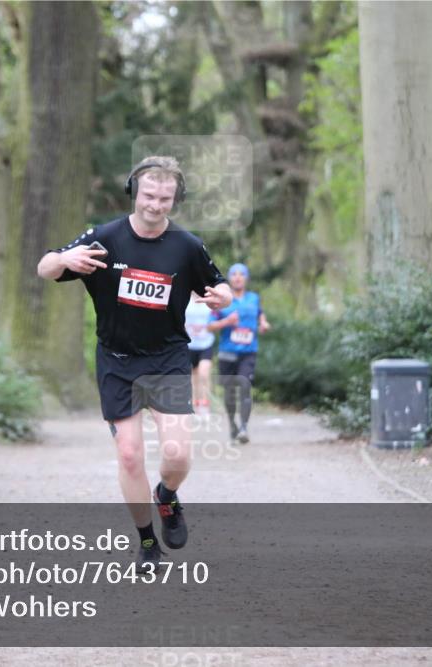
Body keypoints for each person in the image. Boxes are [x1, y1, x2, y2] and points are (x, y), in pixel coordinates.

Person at [36, 156, 232, 572]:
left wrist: (223, 297)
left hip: (168, 358)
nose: (155, 205)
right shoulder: (103, 238)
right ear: (133, 191)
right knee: (128, 455)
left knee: (177, 455)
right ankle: (146, 543)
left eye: (165, 198)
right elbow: (45, 267)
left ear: (175, 199)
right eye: (148, 195)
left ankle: (166, 496)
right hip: (117, 360)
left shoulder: (187, 246)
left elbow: (220, 286)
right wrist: (65, 261)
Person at [208, 263, 270, 444]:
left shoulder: (254, 298)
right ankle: (232, 425)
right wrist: (227, 321)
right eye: (233, 274)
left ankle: (243, 426)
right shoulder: (222, 300)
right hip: (227, 353)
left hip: (248, 352)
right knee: (229, 393)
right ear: (229, 278)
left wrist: (263, 323)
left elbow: (260, 314)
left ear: (246, 278)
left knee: (244, 386)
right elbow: (210, 326)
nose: (237, 277)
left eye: (241, 274)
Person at [184, 293, 216, 417]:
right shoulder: (185, 298)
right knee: (192, 378)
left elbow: (216, 317)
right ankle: (194, 406)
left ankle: (204, 406)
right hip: (189, 345)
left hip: (205, 344)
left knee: (203, 373)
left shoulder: (210, 299)